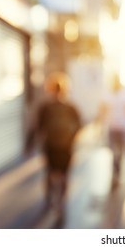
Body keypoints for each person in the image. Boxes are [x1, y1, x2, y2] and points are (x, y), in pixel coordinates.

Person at [27, 72, 82, 226]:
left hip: (51, 145)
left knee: (51, 172)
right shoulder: (70, 106)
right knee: (63, 174)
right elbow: (79, 125)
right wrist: (71, 139)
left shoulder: (46, 107)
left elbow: (37, 127)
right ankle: (60, 200)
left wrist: (30, 143)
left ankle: (51, 198)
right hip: (65, 146)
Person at [100, 75, 125, 190]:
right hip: (116, 127)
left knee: (118, 152)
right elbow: (103, 110)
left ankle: (116, 173)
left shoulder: (120, 95)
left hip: (119, 128)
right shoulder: (122, 95)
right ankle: (116, 174)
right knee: (117, 152)